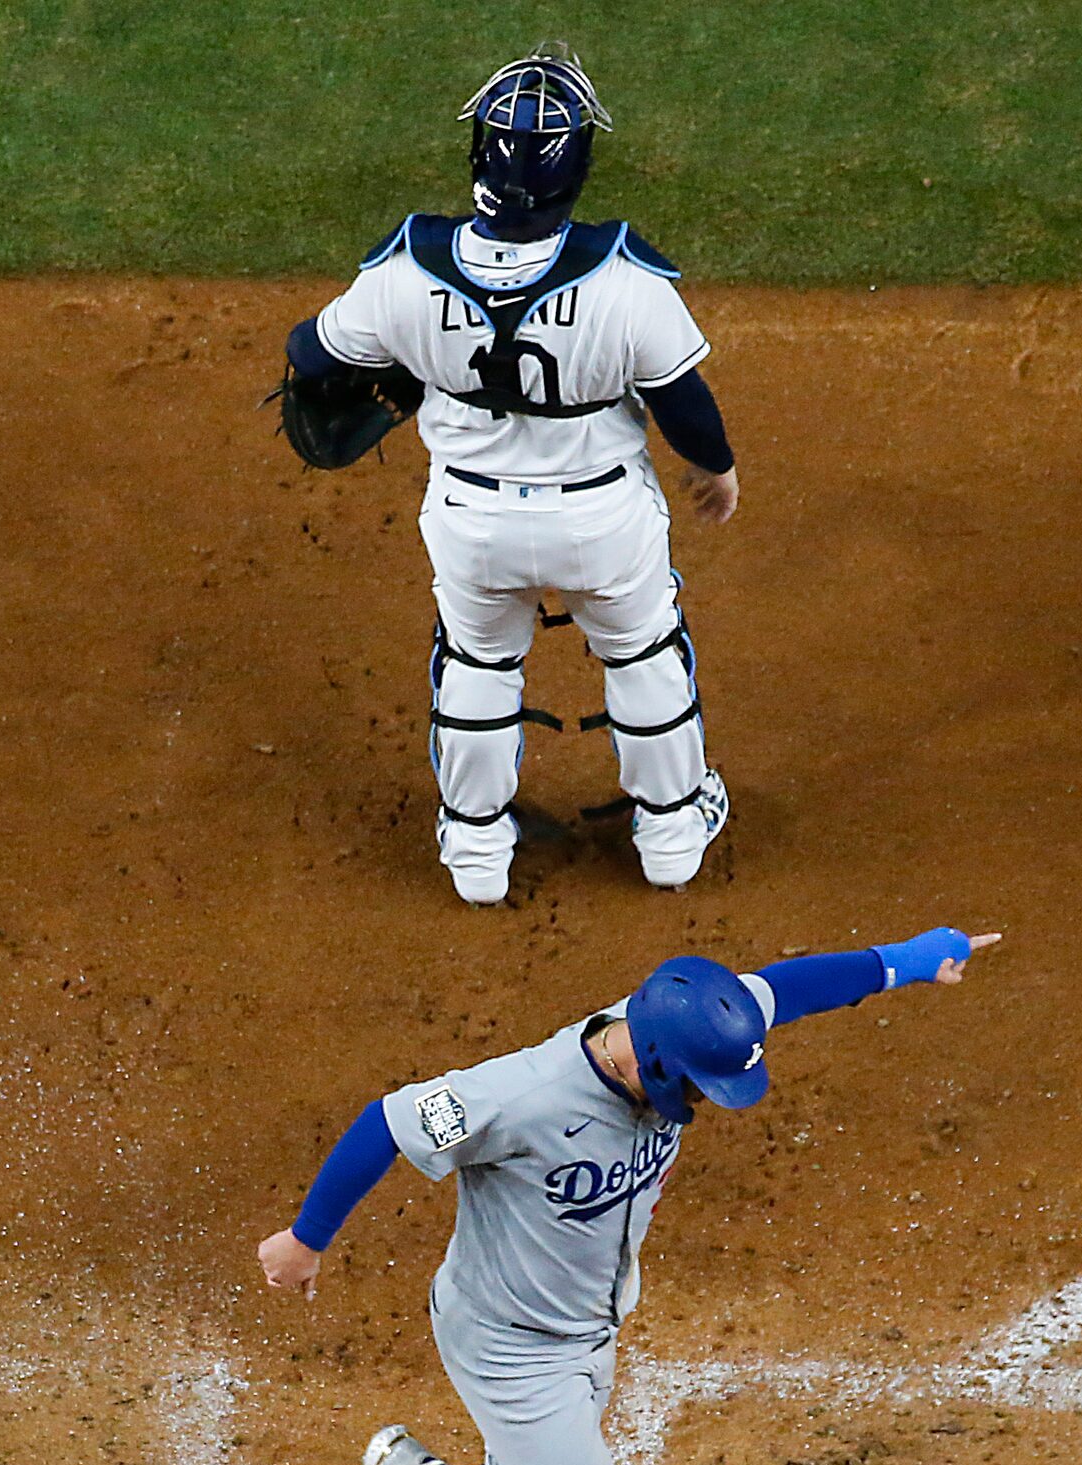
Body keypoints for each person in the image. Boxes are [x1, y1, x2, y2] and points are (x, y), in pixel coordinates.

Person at [255, 924, 1001, 1465]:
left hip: (585, 1329)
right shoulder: (521, 1096)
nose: (708, 1103)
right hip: (507, 1342)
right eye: (702, 1086)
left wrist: (911, 962)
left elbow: (794, 986)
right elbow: (386, 1122)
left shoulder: (680, 1021)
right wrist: (306, 1240)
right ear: (653, 1062)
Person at [282, 44, 744, 904]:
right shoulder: (623, 278)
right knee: (641, 653)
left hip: (471, 521)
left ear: (476, 159)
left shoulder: (402, 270)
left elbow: (310, 350)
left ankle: (476, 856)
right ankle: (672, 836)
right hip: (602, 522)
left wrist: (412, 359)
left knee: (478, 667)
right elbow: (685, 404)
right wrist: (716, 470)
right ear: (579, 170)